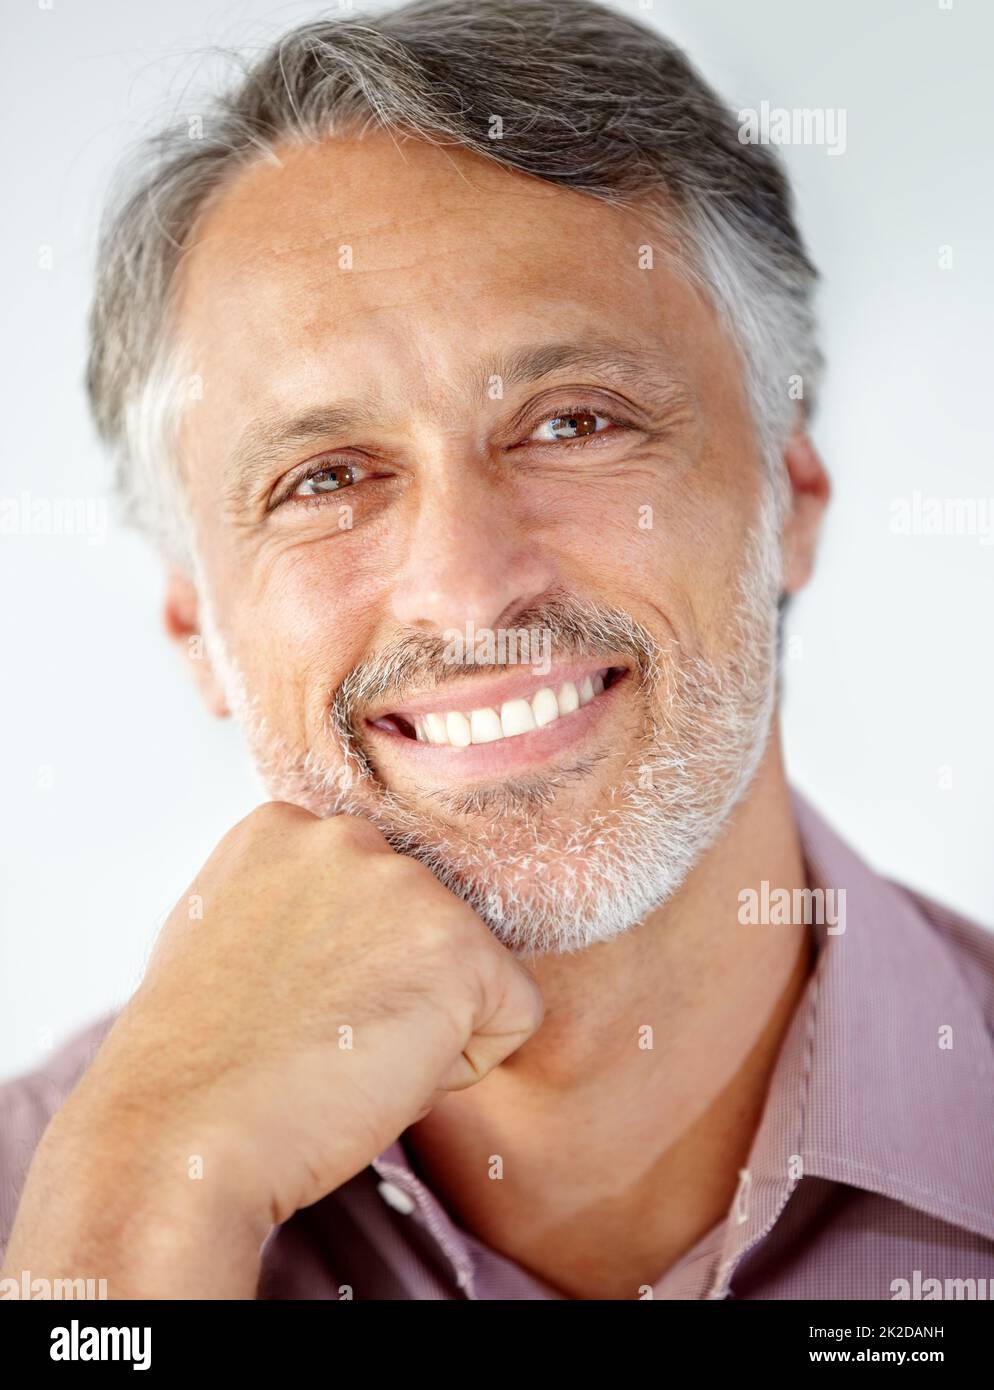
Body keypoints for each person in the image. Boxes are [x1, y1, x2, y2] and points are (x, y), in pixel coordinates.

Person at [2, 0, 992, 1302]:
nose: (466, 590)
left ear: (788, 500)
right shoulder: (47, 1208)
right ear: (198, 623)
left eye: (574, 422)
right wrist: (140, 1212)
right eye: (326, 476)